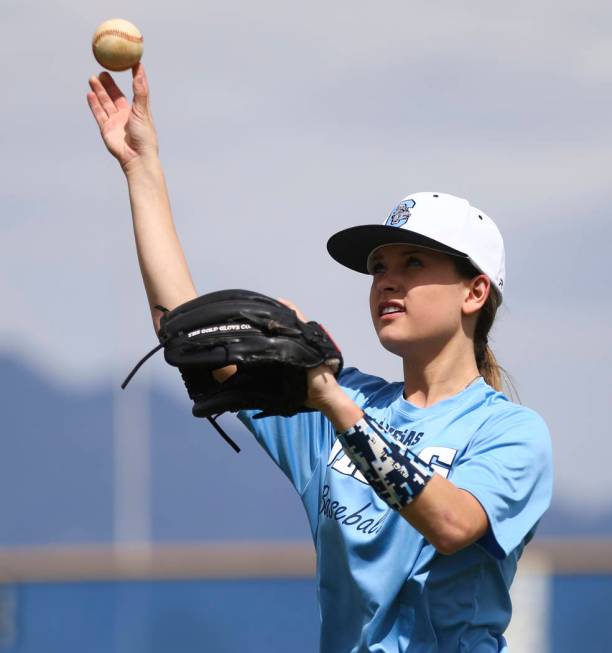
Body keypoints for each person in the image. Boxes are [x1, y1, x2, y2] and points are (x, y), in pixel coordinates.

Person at [87, 64, 553, 653]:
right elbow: (187, 335)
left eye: (413, 264)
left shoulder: (509, 432)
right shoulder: (331, 396)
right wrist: (141, 168)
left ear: (474, 292)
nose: (388, 281)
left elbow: (454, 525)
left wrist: (335, 403)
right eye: (379, 267)